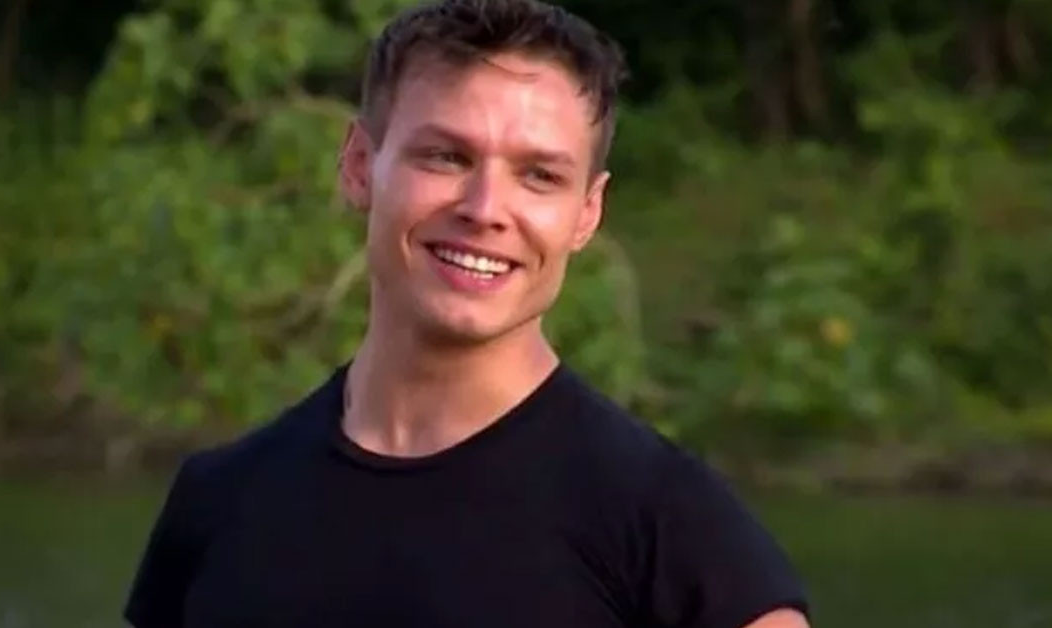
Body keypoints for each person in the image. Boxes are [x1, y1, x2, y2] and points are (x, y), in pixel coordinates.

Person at [123, 1, 811, 626]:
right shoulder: (220, 501)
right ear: (359, 165)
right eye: (446, 156)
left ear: (587, 212)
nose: (485, 210)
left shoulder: (668, 528)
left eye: (539, 175)